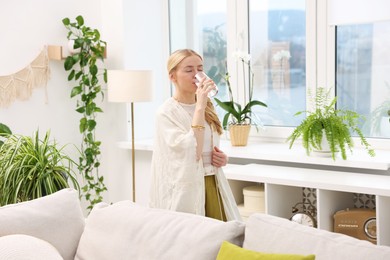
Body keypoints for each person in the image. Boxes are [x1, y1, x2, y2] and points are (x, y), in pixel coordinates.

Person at [149, 49, 241, 221]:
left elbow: (206, 147)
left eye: (200, 69)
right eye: (189, 70)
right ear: (172, 76)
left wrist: (221, 159)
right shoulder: (166, 113)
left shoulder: (207, 106)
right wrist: (200, 105)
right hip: (186, 192)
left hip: (212, 183)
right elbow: (191, 153)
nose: (197, 75)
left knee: (220, 239)